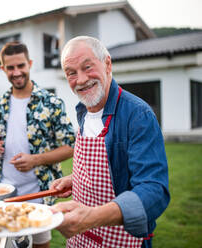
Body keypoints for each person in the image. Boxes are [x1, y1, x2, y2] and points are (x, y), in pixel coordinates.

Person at [50, 36, 170, 247]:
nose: (81, 80)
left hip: (122, 239)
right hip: (82, 239)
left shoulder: (138, 115)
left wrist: (91, 218)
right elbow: (108, 167)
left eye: (87, 67)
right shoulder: (84, 112)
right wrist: (76, 179)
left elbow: (154, 191)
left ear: (107, 64)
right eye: (71, 73)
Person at [0, 41, 75, 248]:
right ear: (3, 69)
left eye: (21, 66)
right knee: (5, 245)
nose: (16, 72)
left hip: (38, 193)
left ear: (30, 64)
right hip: (4, 193)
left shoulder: (51, 102)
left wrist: (35, 159)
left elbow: (71, 146)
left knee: (40, 245)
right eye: (10, 67)